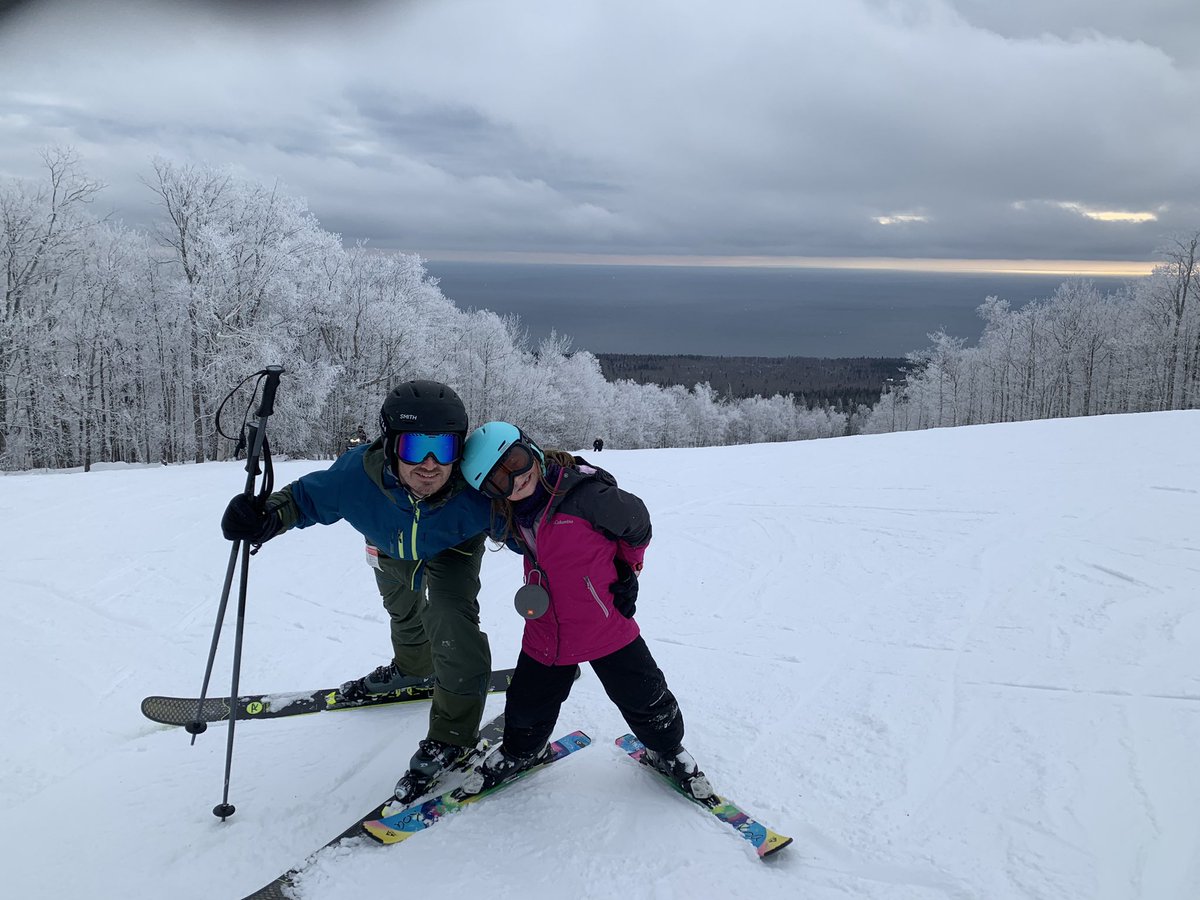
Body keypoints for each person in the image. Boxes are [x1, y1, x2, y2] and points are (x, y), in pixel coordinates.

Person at [220, 380, 495, 800]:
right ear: (388, 445)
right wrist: (265, 519)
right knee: (402, 609)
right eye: (413, 448)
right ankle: (413, 668)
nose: (429, 464)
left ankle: (453, 738)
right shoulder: (357, 476)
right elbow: (303, 498)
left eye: (443, 449)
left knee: (447, 616)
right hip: (389, 546)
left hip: (452, 547)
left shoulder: (478, 486)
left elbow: (535, 496)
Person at [457, 421, 712, 799]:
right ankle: (522, 751)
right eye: (498, 481)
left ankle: (668, 750)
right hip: (547, 629)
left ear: (530, 447)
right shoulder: (508, 515)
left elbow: (637, 523)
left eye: (515, 460)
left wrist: (629, 566)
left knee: (644, 694)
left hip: (604, 621)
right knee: (528, 702)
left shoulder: (586, 495)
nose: (516, 479)